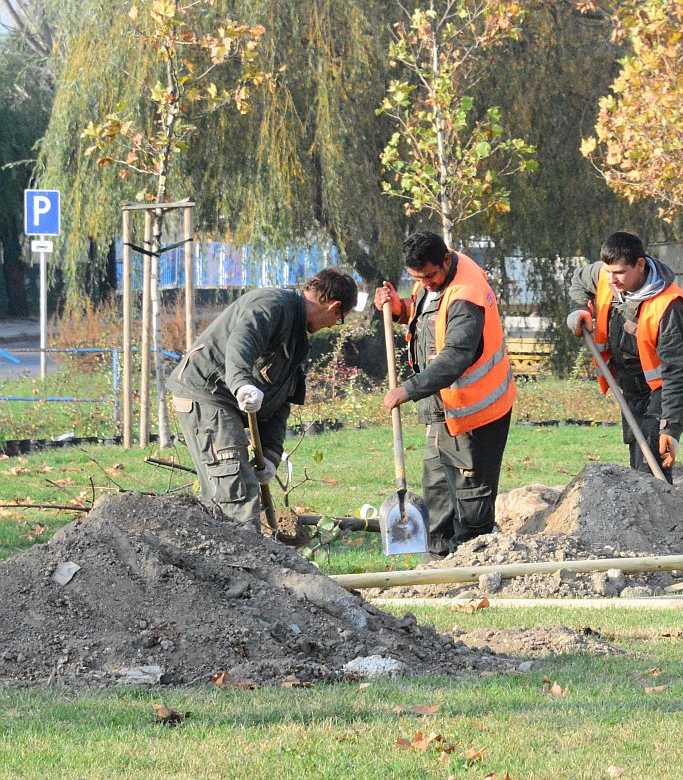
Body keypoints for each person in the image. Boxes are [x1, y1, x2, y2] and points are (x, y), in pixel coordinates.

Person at [169, 268, 358, 528]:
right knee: (236, 489)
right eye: (338, 320)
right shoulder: (272, 306)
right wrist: (242, 384)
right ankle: (245, 551)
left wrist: (271, 454)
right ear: (334, 307)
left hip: (222, 399)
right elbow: (241, 343)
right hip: (207, 394)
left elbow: (281, 399)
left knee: (221, 494)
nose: (330, 327)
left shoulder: (296, 338)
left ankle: (215, 544)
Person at [375, 231, 516, 557]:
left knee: (470, 496)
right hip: (445, 407)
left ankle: (471, 561)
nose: (425, 283)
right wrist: (399, 309)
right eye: (416, 278)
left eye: (429, 276)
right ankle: (437, 562)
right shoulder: (433, 279)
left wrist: (408, 389)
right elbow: (430, 321)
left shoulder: (467, 294)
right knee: (437, 488)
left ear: (446, 261)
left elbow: (455, 356)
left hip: (476, 410)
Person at [567, 231, 683, 483]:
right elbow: (579, 280)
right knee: (638, 455)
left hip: (673, 386)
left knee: (653, 450)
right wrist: (579, 309)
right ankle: (646, 504)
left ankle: (663, 506)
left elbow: (675, 372)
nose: (612, 279)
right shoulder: (607, 276)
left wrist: (670, 428)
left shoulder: (668, 306)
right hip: (633, 384)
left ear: (640, 265)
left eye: (620, 273)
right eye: (608, 272)